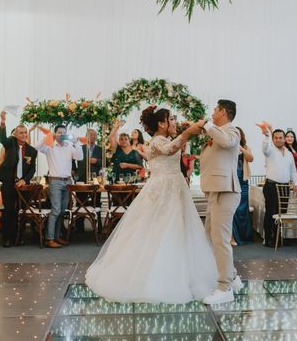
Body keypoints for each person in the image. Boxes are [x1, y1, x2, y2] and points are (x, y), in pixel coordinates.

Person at [85, 106, 215, 303]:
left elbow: (176, 147)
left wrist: (189, 133)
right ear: (161, 124)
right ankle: (154, 276)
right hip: (163, 190)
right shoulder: (156, 141)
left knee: (180, 228)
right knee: (161, 227)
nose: (174, 122)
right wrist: (188, 132)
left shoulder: (165, 138)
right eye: (171, 119)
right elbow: (170, 149)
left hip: (175, 186)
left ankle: (182, 272)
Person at [198, 99, 245, 304]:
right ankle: (233, 277)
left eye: (215, 109)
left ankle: (225, 287)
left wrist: (207, 126)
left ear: (224, 112)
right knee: (211, 235)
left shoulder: (232, 131)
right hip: (215, 191)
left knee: (220, 239)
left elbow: (227, 142)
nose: (212, 112)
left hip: (226, 191)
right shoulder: (217, 132)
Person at [35, 125, 83, 248]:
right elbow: (36, 146)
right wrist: (49, 135)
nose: (62, 134)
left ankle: (57, 237)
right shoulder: (49, 146)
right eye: (59, 132)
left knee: (62, 211)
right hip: (55, 181)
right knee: (56, 210)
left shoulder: (69, 146)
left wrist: (76, 142)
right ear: (55, 133)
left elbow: (79, 157)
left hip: (67, 182)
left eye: (64, 132)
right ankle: (49, 238)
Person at [0, 111, 38, 247]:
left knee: (21, 211)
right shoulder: (10, 144)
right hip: (8, 181)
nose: (24, 135)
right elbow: (2, 138)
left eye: (25, 132)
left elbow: (32, 169)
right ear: (15, 134)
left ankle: (19, 237)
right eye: (21, 133)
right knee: (9, 210)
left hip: (22, 184)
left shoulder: (32, 151)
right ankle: (7, 238)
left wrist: (24, 180)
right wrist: (3, 122)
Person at [259, 124, 297, 248]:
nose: (278, 139)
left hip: (285, 187)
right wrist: (266, 135)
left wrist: (296, 184)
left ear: (284, 139)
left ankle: (278, 237)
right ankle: (268, 239)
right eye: (275, 138)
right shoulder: (270, 150)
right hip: (271, 186)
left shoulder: (289, 153)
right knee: (271, 212)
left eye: (280, 137)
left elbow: (293, 171)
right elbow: (265, 148)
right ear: (273, 139)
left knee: (282, 213)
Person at [231, 126, 254, 246]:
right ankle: (232, 237)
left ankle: (245, 236)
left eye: (238, 134)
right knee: (233, 209)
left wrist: (241, 148)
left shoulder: (245, 147)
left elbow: (251, 158)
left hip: (243, 181)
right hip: (231, 182)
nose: (237, 136)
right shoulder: (228, 147)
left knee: (243, 209)